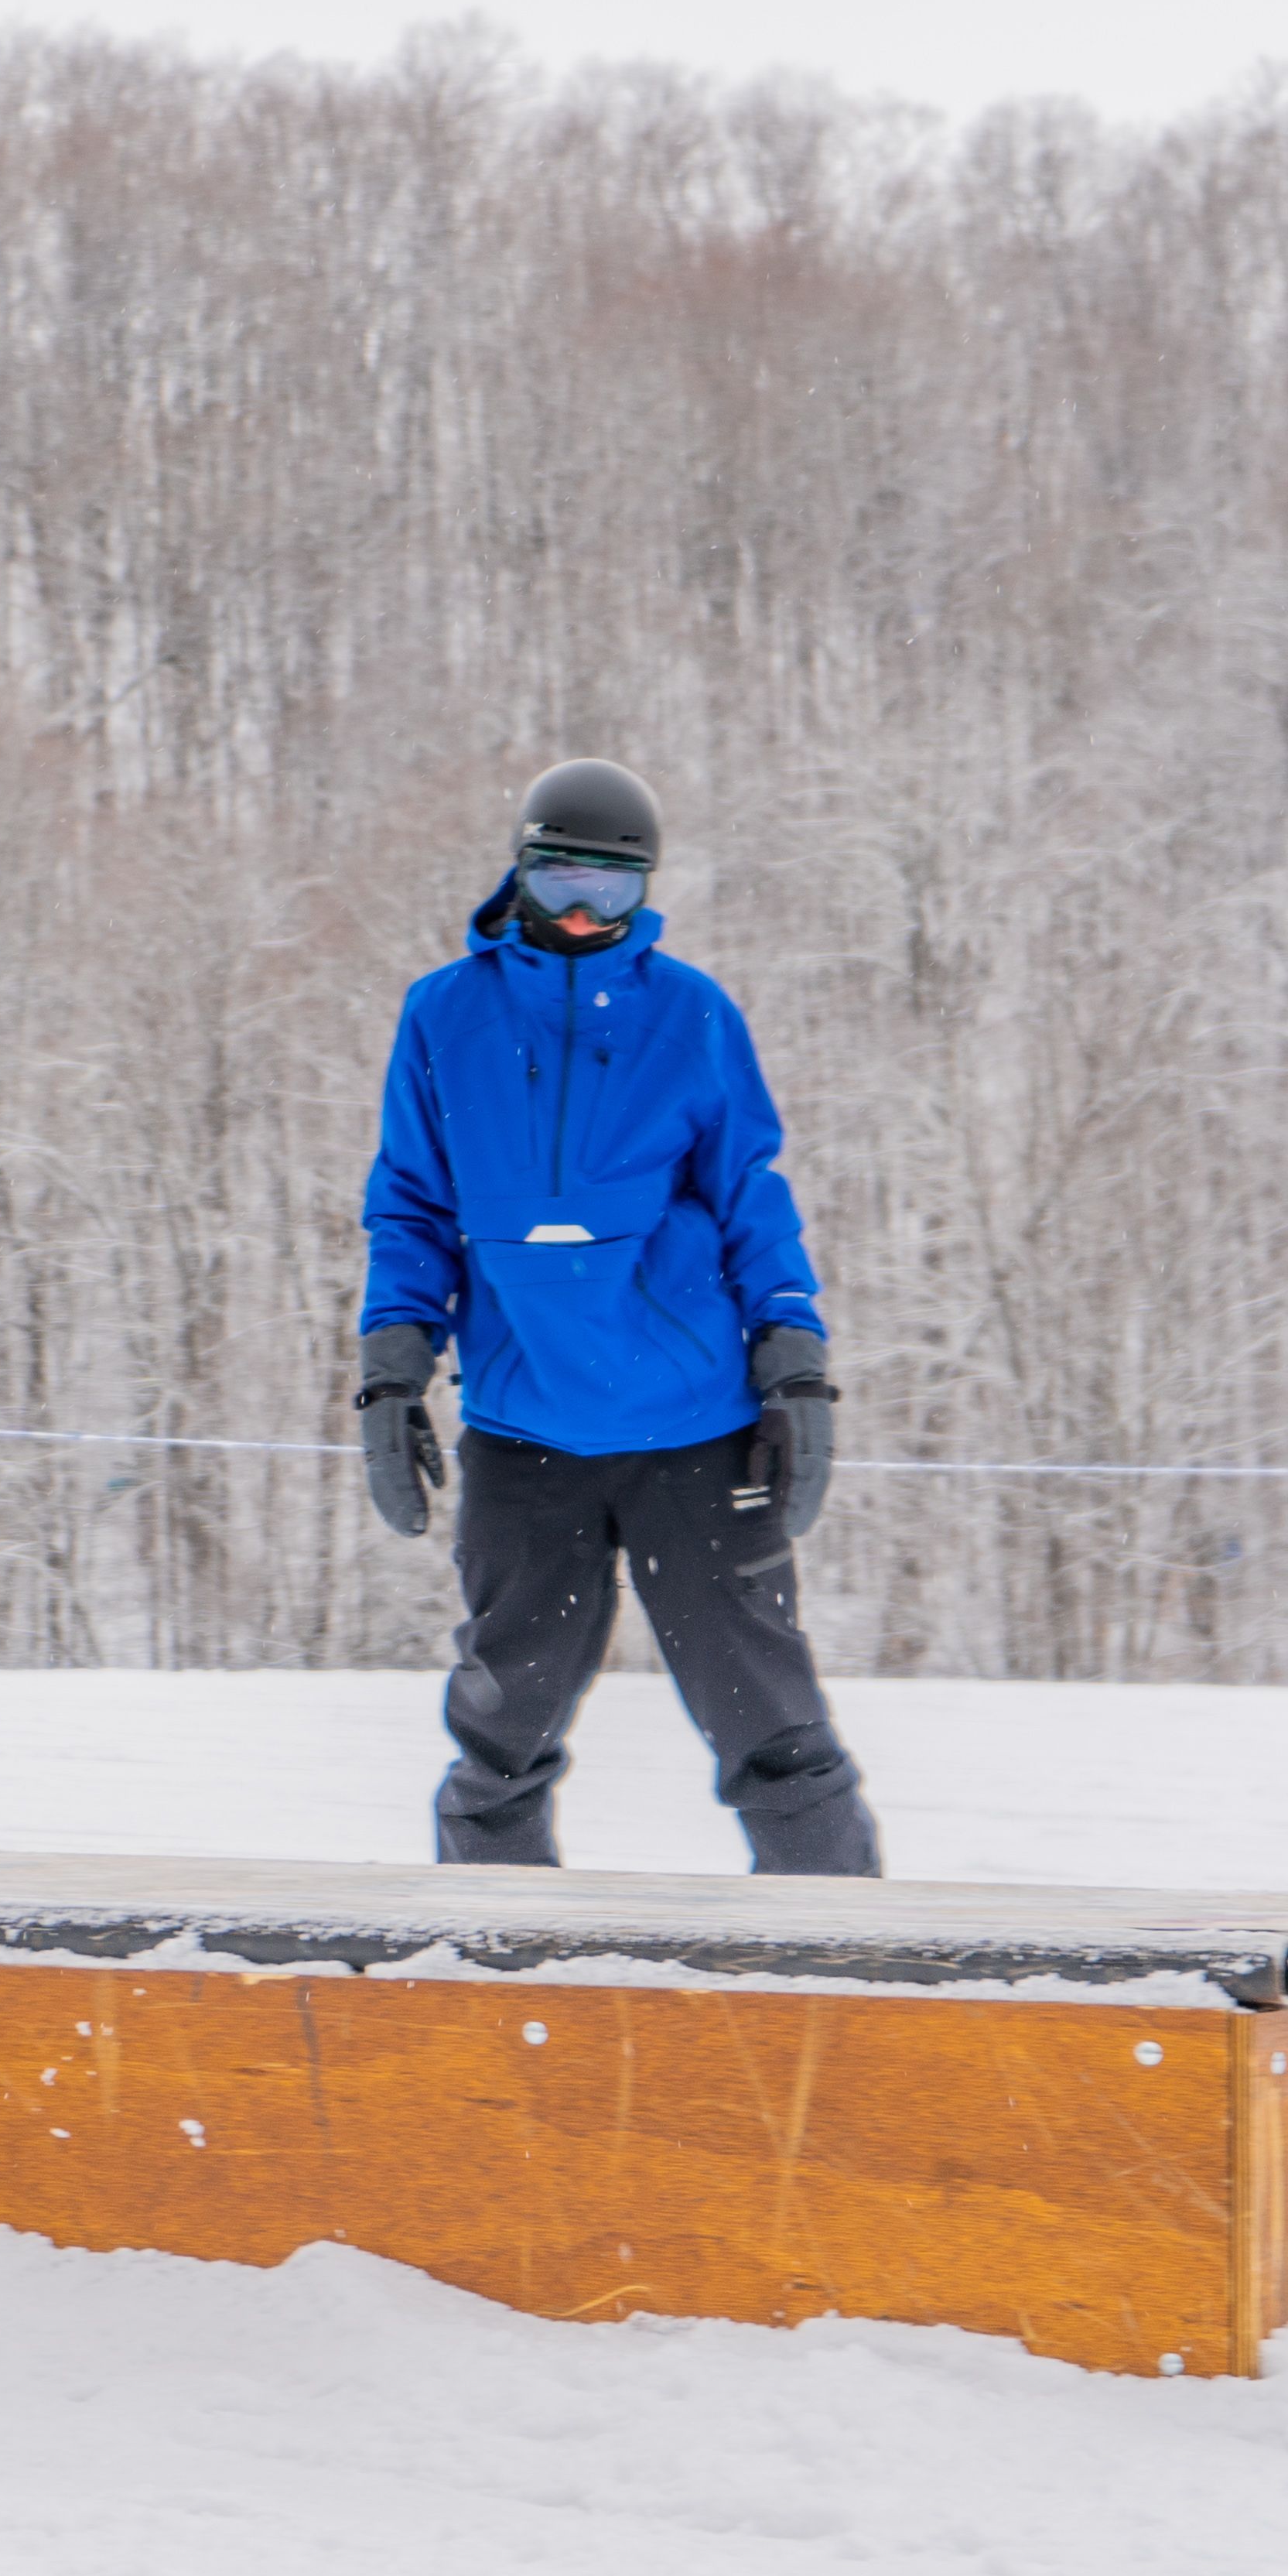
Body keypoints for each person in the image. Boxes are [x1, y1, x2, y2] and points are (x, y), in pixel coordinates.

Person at [353, 758, 882, 1876]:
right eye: (560, 888)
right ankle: (490, 1966)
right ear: (521, 872)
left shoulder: (690, 1015)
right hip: (524, 1427)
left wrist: (794, 1359)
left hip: (692, 1429)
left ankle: (848, 1968)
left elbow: (752, 1193)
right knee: (503, 1731)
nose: (586, 916)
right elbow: (411, 1202)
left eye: (615, 891)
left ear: (647, 889)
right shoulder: (444, 1014)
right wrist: (393, 1365)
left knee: (769, 1726)